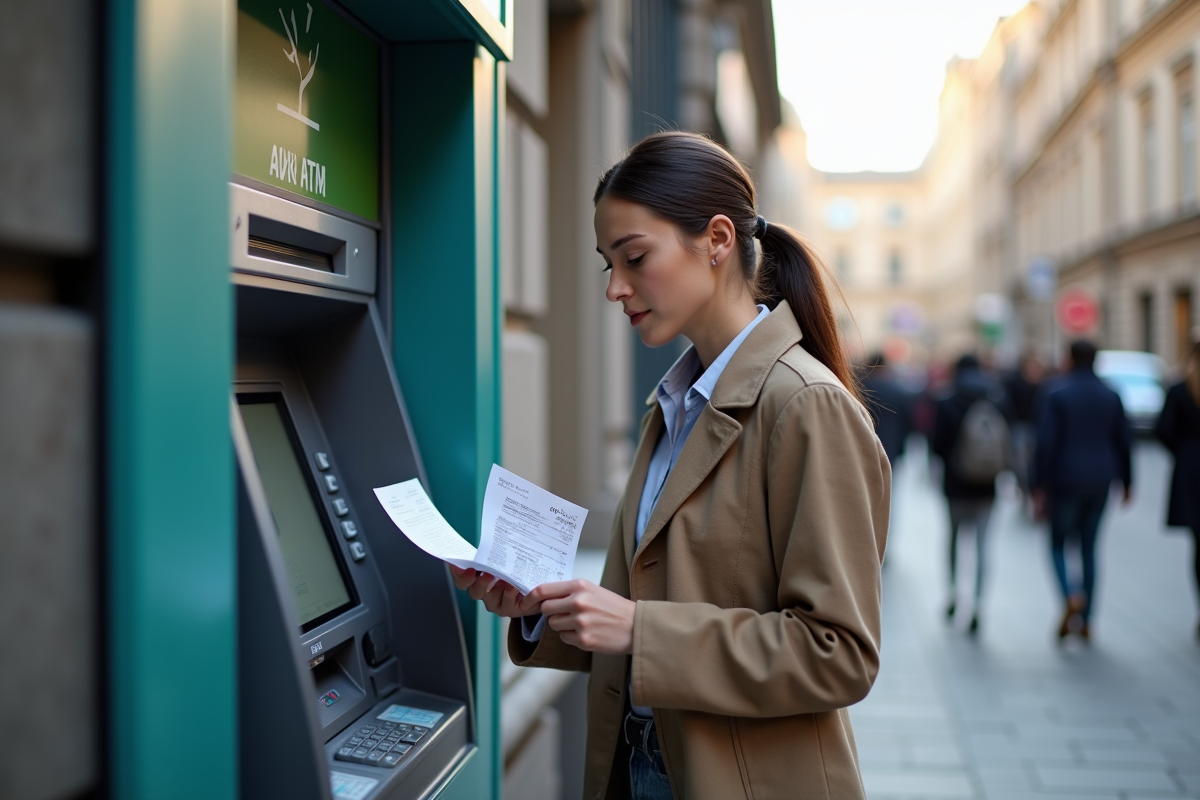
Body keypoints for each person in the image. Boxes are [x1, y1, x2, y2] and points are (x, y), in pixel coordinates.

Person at [451, 131, 890, 800]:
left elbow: (839, 654)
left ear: (716, 240)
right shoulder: (676, 405)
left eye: (633, 258)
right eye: (607, 264)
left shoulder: (804, 406)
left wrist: (637, 628)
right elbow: (648, 611)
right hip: (639, 770)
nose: (614, 289)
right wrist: (540, 607)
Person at [1033, 340, 1132, 642]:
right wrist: (1128, 481)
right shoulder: (1111, 394)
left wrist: (1037, 485)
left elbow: (1046, 443)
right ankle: (1088, 619)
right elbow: (1124, 441)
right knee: (1090, 547)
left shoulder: (1055, 392)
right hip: (1102, 478)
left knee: (1058, 543)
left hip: (1065, 479)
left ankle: (1070, 595)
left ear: (1069, 358)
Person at [931, 354, 1010, 634]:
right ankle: (979, 604)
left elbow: (937, 446)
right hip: (987, 486)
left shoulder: (946, 400)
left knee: (953, 540)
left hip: (955, 485)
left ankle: (953, 594)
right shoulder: (997, 399)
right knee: (982, 545)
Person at [1155, 340, 1200, 639]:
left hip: (1191, 472)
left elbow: (1164, 431)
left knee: (1199, 546)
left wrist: (1184, 453)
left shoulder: (1180, 388)